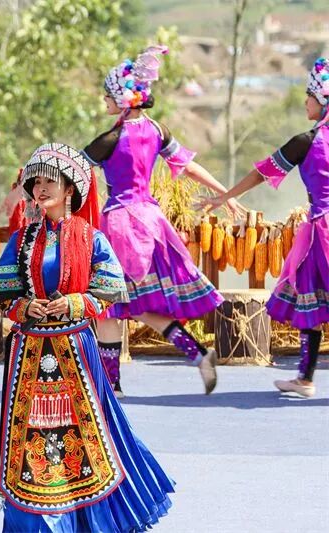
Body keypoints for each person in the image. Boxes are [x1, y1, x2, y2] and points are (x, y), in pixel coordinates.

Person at [0, 143, 174, 532]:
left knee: (85, 437)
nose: (41, 188)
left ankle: (85, 521)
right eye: (36, 182)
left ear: (70, 188)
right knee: (31, 439)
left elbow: (111, 289)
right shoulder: (22, 240)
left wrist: (74, 302)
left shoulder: (91, 238)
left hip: (74, 349)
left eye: (50, 181)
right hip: (29, 353)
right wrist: (24, 307)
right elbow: (2, 294)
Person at [83, 46, 245, 396]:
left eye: (108, 95)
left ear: (122, 99)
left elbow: (70, 170)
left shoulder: (110, 139)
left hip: (122, 223)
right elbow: (188, 166)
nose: (105, 100)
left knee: (109, 305)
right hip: (152, 221)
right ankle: (198, 354)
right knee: (138, 305)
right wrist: (226, 194)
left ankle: (111, 385)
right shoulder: (157, 130)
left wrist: (24, 189)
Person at [200, 57, 329, 398]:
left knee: (312, 300)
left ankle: (305, 378)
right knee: (312, 300)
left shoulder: (308, 141)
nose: (305, 102)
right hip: (318, 228)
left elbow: (262, 172)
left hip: (322, 232)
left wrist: (224, 197)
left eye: (309, 95)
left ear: (322, 100)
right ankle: (303, 378)